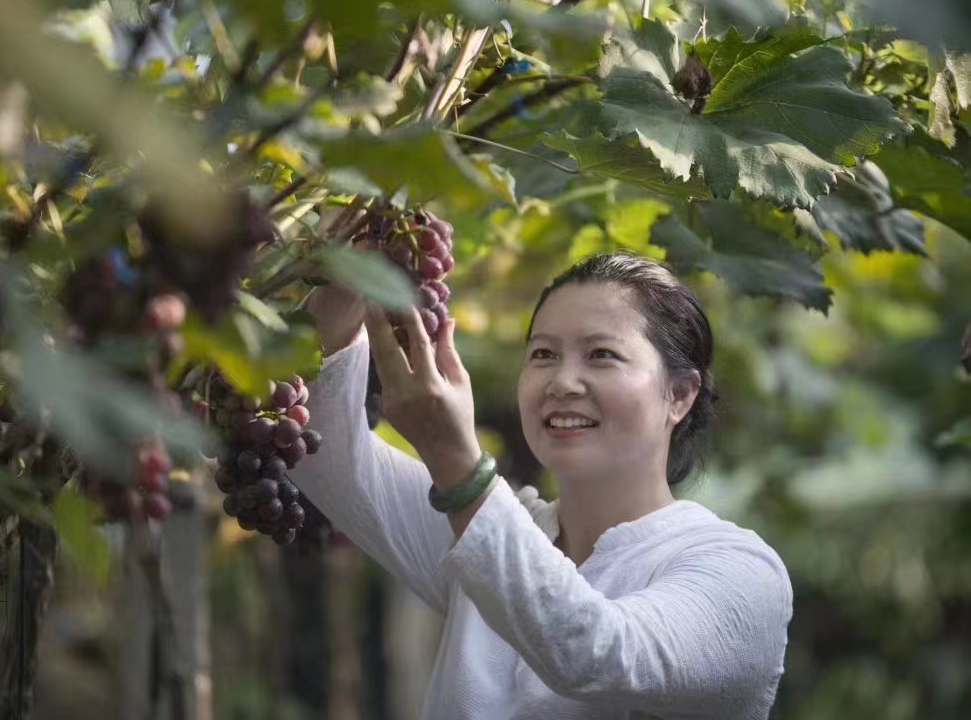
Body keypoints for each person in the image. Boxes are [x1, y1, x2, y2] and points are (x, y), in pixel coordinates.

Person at [292, 251, 792, 719]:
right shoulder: (491, 529)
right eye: (544, 354)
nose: (562, 382)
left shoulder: (741, 574)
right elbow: (320, 445)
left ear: (679, 395)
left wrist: (458, 464)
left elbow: (595, 655)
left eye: (602, 354)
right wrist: (349, 265)